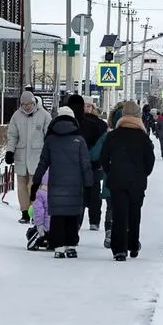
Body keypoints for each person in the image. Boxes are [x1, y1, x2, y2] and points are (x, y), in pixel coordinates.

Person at [30, 105, 93, 258]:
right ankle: (71, 246)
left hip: (56, 185)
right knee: (72, 215)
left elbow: (42, 164)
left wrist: (35, 184)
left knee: (57, 216)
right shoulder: (79, 140)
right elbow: (86, 165)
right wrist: (89, 186)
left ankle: (58, 247)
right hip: (74, 186)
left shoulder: (51, 140)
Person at [100, 100, 156, 261]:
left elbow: (104, 158)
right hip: (137, 182)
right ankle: (132, 245)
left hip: (117, 180)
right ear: (138, 116)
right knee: (134, 213)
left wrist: (111, 172)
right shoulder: (143, 138)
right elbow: (150, 161)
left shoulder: (113, 136)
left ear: (122, 116)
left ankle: (119, 250)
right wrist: (143, 173)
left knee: (119, 214)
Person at [5, 90, 51, 224]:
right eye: (24, 105)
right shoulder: (16, 116)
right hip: (21, 156)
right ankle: (24, 212)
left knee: (34, 185)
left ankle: (34, 212)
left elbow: (49, 136)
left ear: (34, 102)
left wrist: (48, 155)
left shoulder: (44, 116)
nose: (27, 107)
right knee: (21, 185)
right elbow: (12, 135)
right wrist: (10, 151)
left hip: (37, 157)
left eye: (29, 104)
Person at [67, 94, 108, 231]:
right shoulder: (78, 123)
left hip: (91, 165)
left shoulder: (99, 124)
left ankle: (92, 221)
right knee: (83, 193)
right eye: (84, 105)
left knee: (93, 193)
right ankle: (81, 221)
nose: (86, 108)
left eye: (88, 105)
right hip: (86, 164)